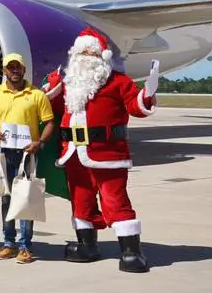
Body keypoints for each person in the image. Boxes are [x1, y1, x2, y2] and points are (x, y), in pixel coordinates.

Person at [53, 28, 156, 272]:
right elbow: (47, 104)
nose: (87, 56)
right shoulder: (68, 83)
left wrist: (147, 95)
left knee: (115, 200)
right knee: (81, 201)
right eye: (82, 51)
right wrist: (53, 82)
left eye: (92, 51)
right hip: (74, 153)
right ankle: (86, 245)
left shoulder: (118, 81)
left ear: (103, 56)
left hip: (108, 154)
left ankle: (131, 251)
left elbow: (137, 107)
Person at [0, 53, 54, 264]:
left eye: (18, 67)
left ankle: (25, 246)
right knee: (6, 198)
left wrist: (39, 142)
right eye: (10, 68)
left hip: (28, 153)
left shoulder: (36, 95)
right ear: (4, 71)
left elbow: (49, 122)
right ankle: (8, 243)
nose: (14, 71)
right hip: (5, 153)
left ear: (23, 70)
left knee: (26, 198)